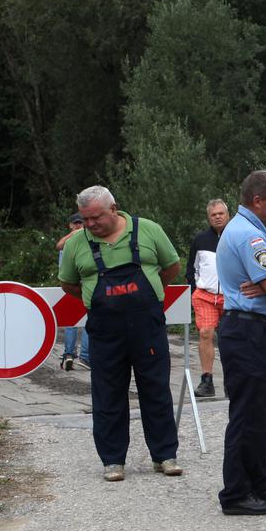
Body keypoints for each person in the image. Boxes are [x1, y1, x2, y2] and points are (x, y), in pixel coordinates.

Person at [58, 186, 184, 482]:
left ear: (113, 209)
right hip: (105, 329)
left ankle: (165, 456)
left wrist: (150, 293)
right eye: (85, 219)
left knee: (155, 389)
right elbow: (68, 284)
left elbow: (171, 267)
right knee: (108, 394)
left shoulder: (149, 230)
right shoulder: (78, 243)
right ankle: (113, 460)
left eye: (95, 218)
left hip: (147, 326)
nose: (90, 224)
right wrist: (96, 299)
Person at [215, 171, 266, 516]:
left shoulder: (249, 231)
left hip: (253, 329)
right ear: (258, 200)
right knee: (248, 413)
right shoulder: (250, 236)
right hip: (247, 329)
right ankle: (236, 492)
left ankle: (258, 482)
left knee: (264, 414)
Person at [186, 199, 230, 397]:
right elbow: (191, 268)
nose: (218, 217)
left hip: (231, 296)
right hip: (205, 295)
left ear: (228, 215)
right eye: (214, 214)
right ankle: (207, 380)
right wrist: (196, 289)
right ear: (208, 217)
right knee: (205, 333)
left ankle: (232, 380)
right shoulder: (200, 240)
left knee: (231, 338)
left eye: (221, 213)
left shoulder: (235, 237)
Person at [55, 213, 90, 370]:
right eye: (75, 223)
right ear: (70, 225)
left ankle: (71, 355)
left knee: (76, 322)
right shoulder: (73, 241)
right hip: (76, 285)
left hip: (72, 285)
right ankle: (82, 356)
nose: (78, 225)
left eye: (80, 223)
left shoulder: (70, 242)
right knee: (80, 321)